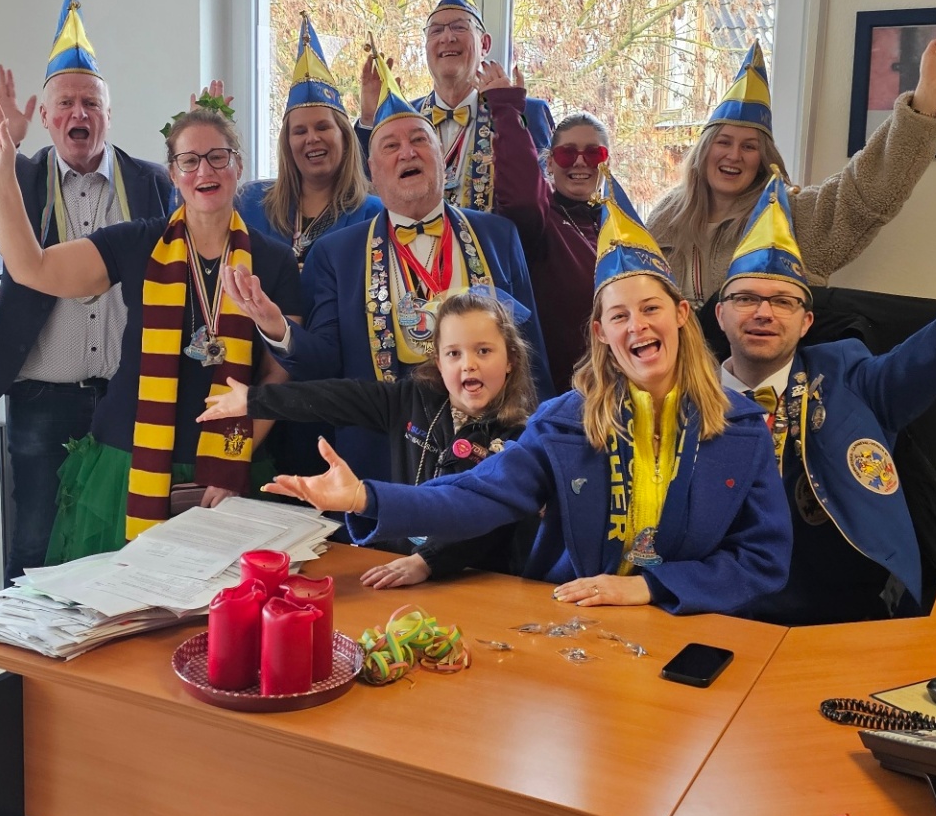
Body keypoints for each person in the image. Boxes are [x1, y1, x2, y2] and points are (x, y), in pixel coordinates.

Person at [268, 171, 791, 616]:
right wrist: (365, 496)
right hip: (566, 623)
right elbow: (475, 495)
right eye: (619, 315)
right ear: (600, 333)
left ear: (680, 314)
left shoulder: (742, 429)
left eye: (650, 308)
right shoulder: (563, 424)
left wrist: (651, 586)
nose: (637, 326)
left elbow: (763, 559)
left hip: (690, 627)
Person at [713, 135, 936, 626]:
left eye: (783, 301)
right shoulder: (685, 400)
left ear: (807, 322)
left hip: (848, 619)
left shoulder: (853, 380)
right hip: (718, 613)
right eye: (746, 299)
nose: (764, 312)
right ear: (720, 314)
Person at [0, 89, 301, 558]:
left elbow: (279, 376)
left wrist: (233, 462)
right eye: (189, 161)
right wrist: (0, 177)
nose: (204, 171)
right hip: (128, 463)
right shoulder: (138, 242)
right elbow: (32, 268)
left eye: (218, 157)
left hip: (231, 461)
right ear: (173, 174)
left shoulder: (275, 261)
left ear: (238, 166)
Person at [228, 52, 550, 483]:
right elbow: (324, 366)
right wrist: (277, 327)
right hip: (380, 461)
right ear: (373, 173)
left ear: (440, 156)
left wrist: (543, 452)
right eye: (390, 146)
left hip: (492, 456)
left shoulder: (497, 235)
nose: (407, 152)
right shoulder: (336, 254)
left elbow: (530, 353)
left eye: (419, 140)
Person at [0, 0, 174, 578]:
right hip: (42, 395)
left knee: (123, 538)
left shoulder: (150, 181)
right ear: (46, 117)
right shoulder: (19, 176)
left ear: (108, 116)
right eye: (66, 103)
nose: (80, 114)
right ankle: (28, 644)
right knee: (35, 541)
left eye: (91, 103)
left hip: (129, 392)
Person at [201, 289, 541, 589]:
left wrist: (428, 561)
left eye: (484, 351)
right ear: (438, 362)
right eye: (454, 353)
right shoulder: (410, 400)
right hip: (398, 568)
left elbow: (488, 523)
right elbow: (335, 398)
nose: (469, 365)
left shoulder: (521, 437)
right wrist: (253, 400)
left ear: (510, 359)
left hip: (476, 581)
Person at [647, 31, 936, 306]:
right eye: (723, 142)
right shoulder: (666, 218)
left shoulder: (790, 217)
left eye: (749, 146)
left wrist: (927, 95)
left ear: (763, 158)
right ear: (703, 151)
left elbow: (866, 192)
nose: (734, 155)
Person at [356, 0, 555, 211]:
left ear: (484, 44)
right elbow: (368, 199)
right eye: (436, 30)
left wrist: (506, 112)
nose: (447, 37)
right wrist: (371, 121)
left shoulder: (528, 113)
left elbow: (537, 207)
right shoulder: (405, 117)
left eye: (460, 27)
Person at [481, 57, 605, 392]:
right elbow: (522, 197)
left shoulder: (619, 225)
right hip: (556, 400)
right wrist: (506, 110)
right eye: (567, 154)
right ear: (549, 163)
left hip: (619, 395)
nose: (580, 162)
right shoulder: (542, 221)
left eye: (593, 154)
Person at [236, 13, 380, 260]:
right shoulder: (252, 203)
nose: (312, 138)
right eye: (300, 131)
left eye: (323, 127)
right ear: (287, 143)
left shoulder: (372, 213)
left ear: (344, 137)